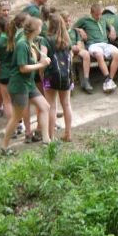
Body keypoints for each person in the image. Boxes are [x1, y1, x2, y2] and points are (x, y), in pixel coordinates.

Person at [1, 16, 52, 151]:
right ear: (35, 29)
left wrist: (43, 57)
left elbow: (38, 52)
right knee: (16, 117)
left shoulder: (30, 41)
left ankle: (47, 141)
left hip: (29, 84)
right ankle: (4, 147)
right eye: (40, 26)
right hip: (19, 85)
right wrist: (40, 64)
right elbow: (22, 68)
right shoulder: (22, 44)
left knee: (45, 107)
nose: (42, 28)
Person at [74, 3, 118, 93]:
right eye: (97, 14)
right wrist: (80, 30)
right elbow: (72, 28)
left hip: (105, 44)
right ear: (91, 13)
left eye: (100, 14)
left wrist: (112, 29)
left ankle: (109, 80)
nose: (99, 16)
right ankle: (108, 79)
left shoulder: (103, 19)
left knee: (117, 54)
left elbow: (110, 26)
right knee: (99, 54)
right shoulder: (85, 20)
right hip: (93, 45)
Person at [43, 13, 74, 142]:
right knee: (66, 104)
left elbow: (43, 58)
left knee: (51, 106)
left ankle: (51, 136)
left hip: (50, 76)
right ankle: (68, 134)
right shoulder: (67, 40)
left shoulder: (46, 39)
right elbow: (70, 58)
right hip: (66, 76)